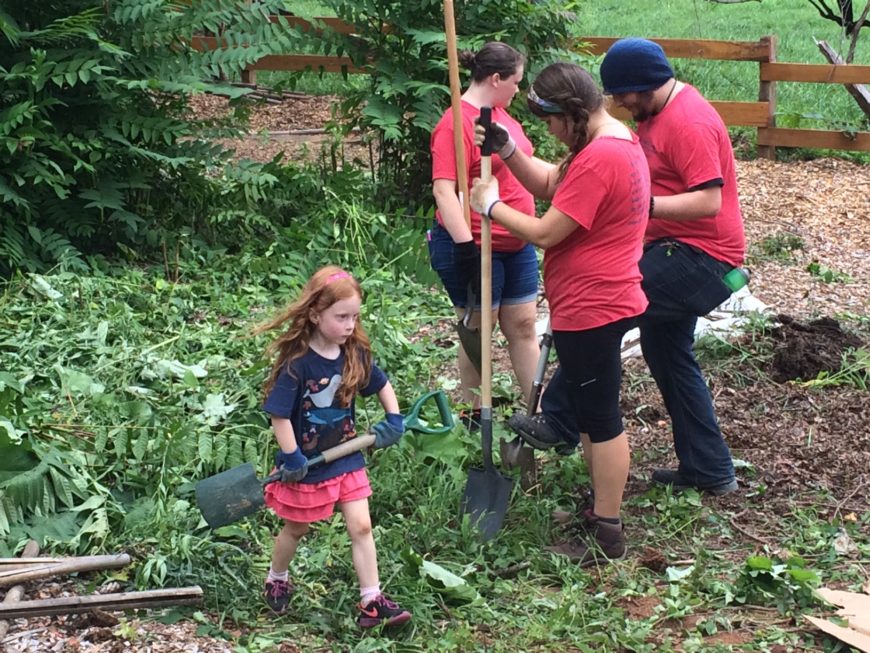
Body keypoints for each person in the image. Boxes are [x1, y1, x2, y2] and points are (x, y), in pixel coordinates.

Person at [508, 38, 744, 497]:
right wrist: (509, 152)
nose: (618, 104)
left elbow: (710, 201)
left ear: (646, 85)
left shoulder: (689, 122)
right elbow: (561, 183)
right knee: (669, 357)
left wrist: (640, 206)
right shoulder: (645, 120)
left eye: (623, 95)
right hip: (672, 249)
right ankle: (709, 468)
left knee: (602, 317)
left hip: (702, 256)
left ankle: (558, 417)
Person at [470, 62, 650, 565]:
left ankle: (608, 533)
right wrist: (507, 151)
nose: (547, 131)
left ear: (572, 113)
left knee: (602, 421)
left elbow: (548, 230)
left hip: (595, 305)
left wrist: (491, 206)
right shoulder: (609, 141)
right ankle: (600, 508)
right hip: (596, 301)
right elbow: (553, 183)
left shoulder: (601, 158)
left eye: (550, 121)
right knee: (591, 416)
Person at [253, 265, 411, 628]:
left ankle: (371, 600)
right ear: (314, 315)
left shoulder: (352, 353)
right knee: (296, 529)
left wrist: (394, 418)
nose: (350, 325)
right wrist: (292, 457)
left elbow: (382, 384)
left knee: (361, 526)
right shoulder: (297, 365)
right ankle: (276, 578)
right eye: (341, 317)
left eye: (355, 317)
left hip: (346, 457)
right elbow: (278, 416)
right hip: (305, 463)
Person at [429, 41, 540, 428]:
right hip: (477, 244)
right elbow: (445, 189)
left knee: (524, 325)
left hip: (517, 241)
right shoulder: (455, 122)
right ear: (495, 79)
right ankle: (477, 415)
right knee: (479, 329)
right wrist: (465, 249)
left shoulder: (504, 118)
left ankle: (536, 415)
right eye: (515, 82)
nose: (518, 90)